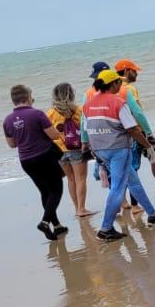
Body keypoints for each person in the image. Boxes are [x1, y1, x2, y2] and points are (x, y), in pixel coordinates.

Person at [83, 70, 155, 241]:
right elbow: (132, 129)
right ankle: (106, 228)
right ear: (113, 84)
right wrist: (148, 146)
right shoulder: (118, 102)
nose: (121, 85)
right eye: (119, 82)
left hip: (100, 151)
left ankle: (152, 214)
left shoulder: (89, 104)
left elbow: (87, 129)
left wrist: (91, 149)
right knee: (117, 188)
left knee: (133, 181)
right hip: (118, 150)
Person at [4, 84, 67, 240]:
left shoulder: (7, 120)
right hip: (44, 156)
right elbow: (54, 136)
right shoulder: (37, 114)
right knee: (56, 190)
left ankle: (57, 226)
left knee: (44, 192)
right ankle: (45, 222)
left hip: (26, 161)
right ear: (27, 97)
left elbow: (12, 144)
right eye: (31, 96)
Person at [115, 59, 155, 198]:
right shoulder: (128, 88)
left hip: (122, 132)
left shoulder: (111, 88)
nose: (137, 74)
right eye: (134, 71)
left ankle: (128, 201)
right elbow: (137, 112)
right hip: (137, 130)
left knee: (130, 166)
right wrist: (148, 132)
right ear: (126, 71)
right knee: (154, 155)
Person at [48, 83, 93, 218]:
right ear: (71, 94)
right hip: (76, 148)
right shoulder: (78, 110)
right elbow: (85, 129)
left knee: (71, 179)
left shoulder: (50, 113)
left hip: (59, 150)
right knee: (81, 179)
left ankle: (77, 208)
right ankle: (81, 208)